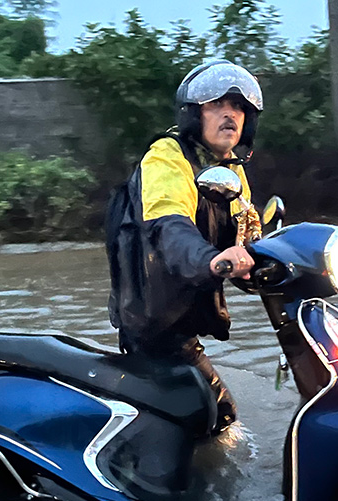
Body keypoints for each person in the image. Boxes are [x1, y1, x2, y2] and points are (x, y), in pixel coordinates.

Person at [106, 60, 263, 433]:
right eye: (216, 104)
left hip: (179, 319)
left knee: (210, 417)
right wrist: (211, 260)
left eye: (239, 106)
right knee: (220, 417)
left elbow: (246, 232)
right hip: (153, 325)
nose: (230, 113)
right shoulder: (166, 157)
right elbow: (167, 226)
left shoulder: (230, 169)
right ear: (194, 114)